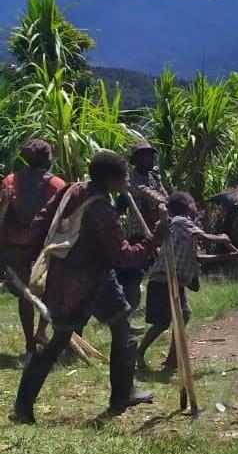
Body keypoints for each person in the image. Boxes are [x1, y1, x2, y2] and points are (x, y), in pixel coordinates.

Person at [10, 150, 168, 424]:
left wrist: (34, 254)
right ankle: (24, 408)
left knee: (119, 328)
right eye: (124, 176)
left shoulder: (74, 190)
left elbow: (42, 221)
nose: (128, 180)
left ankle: (122, 393)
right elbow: (122, 256)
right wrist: (154, 241)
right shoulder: (100, 211)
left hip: (71, 278)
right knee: (60, 341)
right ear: (110, 179)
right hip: (88, 282)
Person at [138, 192, 234, 371]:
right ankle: (139, 353)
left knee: (183, 316)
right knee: (163, 322)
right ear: (185, 205)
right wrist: (223, 237)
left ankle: (172, 360)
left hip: (176, 282)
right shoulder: (180, 222)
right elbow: (205, 237)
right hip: (164, 280)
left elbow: (198, 257)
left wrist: (228, 256)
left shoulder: (181, 227)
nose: (196, 206)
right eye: (193, 203)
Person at [0, 139, 66, 357]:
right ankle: (40, 332)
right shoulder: (56, 184)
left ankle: (30, 344)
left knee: (25, 297)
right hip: (43, 249)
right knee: (50, 290)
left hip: (14, 247)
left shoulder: (11, 180)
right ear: (48, 159)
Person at [115, 141, 168, 315]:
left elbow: (164, 196)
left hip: (157, 232)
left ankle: (158, 311)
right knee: (133, 277)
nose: (150, 159)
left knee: (161, 275)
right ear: (136, 160)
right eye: (146, 156)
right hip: (139, 235)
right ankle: (126, 315)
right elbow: (144, 194)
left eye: (151, 155)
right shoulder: (129, 181)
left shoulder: (154, 177)